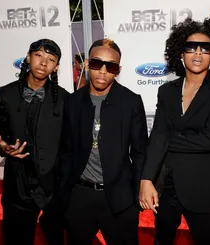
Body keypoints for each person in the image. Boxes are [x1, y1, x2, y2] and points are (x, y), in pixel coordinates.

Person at [139, 17, 210, 245]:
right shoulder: (166, 91)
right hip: (166, 185)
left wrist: (165, 139)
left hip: (203, 188)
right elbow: (157, 136)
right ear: (180, 54)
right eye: (191, 48)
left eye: (206, 48)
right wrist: (146, 179)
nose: (198, 53)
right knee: (162, 240)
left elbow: (209, 141)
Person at [58, 38, 148, 245]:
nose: (103, 71)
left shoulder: (131, 101)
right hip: (79, 196)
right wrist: (64, 192)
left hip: (119, 197)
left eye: (111, 66)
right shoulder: (72, 102)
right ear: (88, 64)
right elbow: (66, 151)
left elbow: (140, 152)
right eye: (97, 64)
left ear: (118, 70)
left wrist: (135, 195)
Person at [0, 39, 69, 245]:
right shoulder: (4, 95)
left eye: (50, 60)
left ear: (56, 66)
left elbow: (70, 145)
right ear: (28, 56)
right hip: (18, 185)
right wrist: (3, 147)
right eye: (39, 56)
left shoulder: (66, 100)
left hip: (53, 187)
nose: (43, 63)